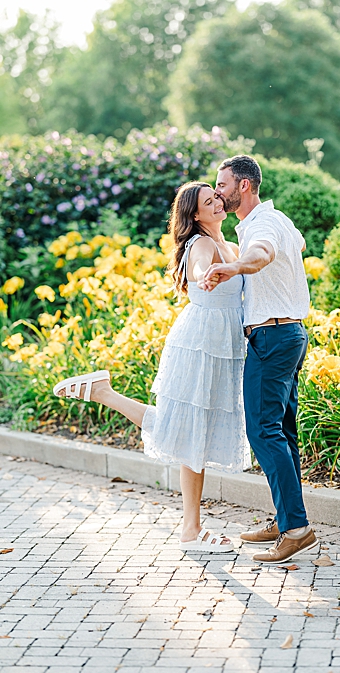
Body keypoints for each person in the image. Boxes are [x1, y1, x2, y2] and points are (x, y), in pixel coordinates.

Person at [53, 181, 249, 553]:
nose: (218, 202)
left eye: (217, 197)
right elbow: (198, 267)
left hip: (220, 344)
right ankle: (104, 393)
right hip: (201, 344)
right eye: (209, 201)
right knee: (188, 430)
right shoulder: (203, 245)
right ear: (195, 214)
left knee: (196, 435)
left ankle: (191, 529)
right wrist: (204, 275)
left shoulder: (231, 246)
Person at [200, 154, 317, 564]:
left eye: (223, 184)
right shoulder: (273, 220)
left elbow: (262, 256)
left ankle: (297, 529)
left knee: (263, 431)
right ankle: (287, 519)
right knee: (281, 433)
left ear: (244, 186)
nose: (218, 191)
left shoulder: (263, 227)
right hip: (286, 333)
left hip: (272, 335)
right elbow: (297, 243)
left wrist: (231, 268)